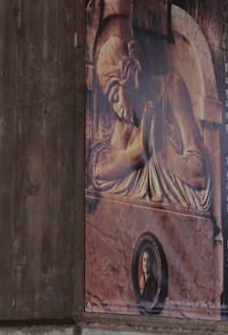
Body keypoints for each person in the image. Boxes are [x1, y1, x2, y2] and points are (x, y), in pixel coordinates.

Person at [90, 36, 212, 213]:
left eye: (116, 98)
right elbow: (101, 170)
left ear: (133, 76)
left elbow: (198, 175)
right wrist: (141, 147)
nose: (117, 109)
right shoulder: (125, 121)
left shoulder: (172, 87)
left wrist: (158, 148)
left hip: (180, 188)